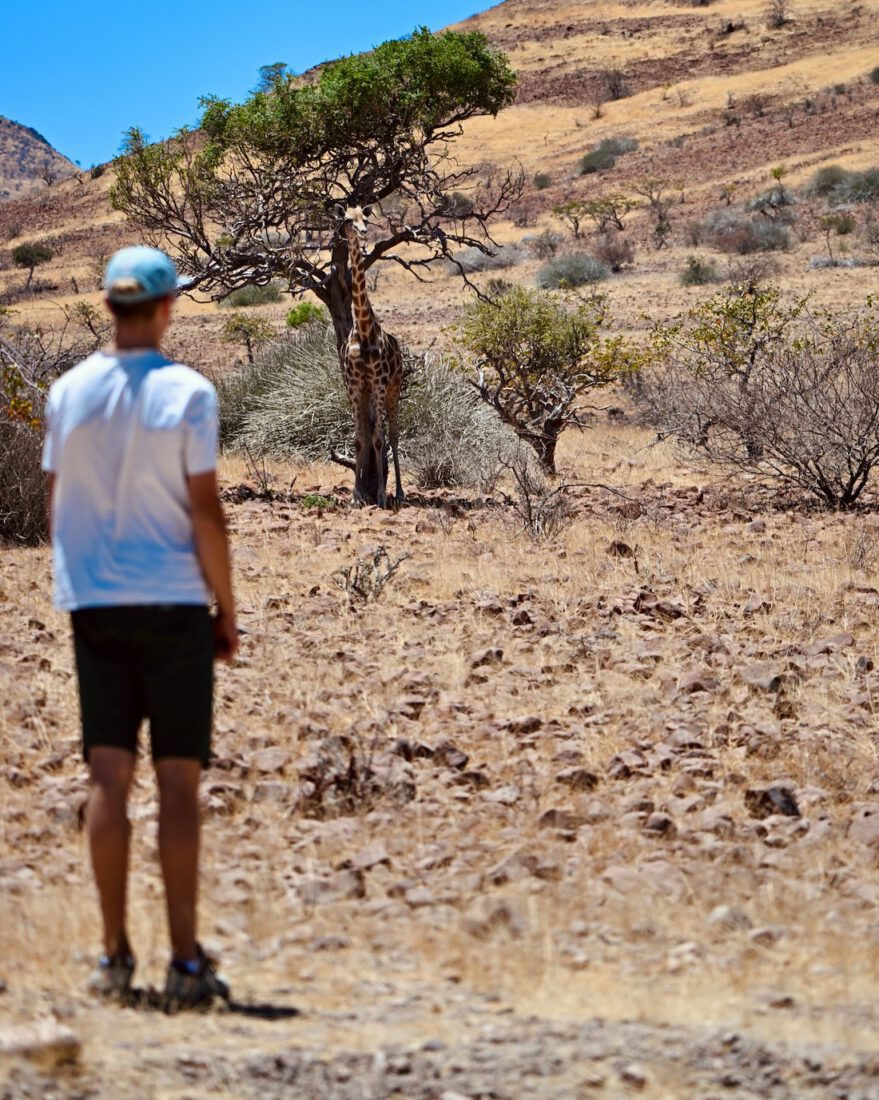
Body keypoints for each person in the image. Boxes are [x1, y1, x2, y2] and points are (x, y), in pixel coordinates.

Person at [42, 246, 238, 1009]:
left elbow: (58, 503)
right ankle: (185, 963)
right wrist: (227, 607)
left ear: (106, 306)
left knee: (107, 778)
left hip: (94, 605)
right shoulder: (187, 391)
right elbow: (205, 511)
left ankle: (113, 956)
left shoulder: (67, 391)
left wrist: (81, 576)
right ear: (167, 307)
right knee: (179, 781)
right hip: (175, 603)